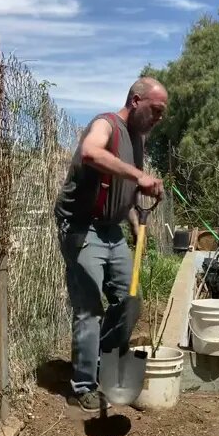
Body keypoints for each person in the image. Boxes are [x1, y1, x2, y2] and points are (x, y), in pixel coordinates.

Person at [52, 76, 167, 411]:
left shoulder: (137, 139)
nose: (158, 118)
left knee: (130, 301)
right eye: (155, 110)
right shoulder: (106, 124)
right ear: (135, 100)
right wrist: (140, 177)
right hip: (81, 227)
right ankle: (83, 385)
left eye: (162, 114)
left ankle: (104, 363)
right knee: (90, 309)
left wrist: (134, 222)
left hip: (111, 229)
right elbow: (90, 153)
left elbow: (124, 194)